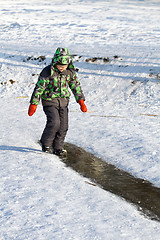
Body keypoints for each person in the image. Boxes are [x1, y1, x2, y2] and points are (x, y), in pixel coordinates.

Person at [28, 47, 87, 157]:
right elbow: (39, 88)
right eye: (59, 65)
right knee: (54, 122)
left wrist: (81, 101)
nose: (61, 68)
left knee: (63, 126)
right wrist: (34, 103)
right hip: (49, 101)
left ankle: (58, 147)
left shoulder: (69, 72)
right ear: (55, 62)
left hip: (64, 102)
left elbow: (75, 86)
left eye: (64, 66)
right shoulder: (47, 72)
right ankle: (46, 144)